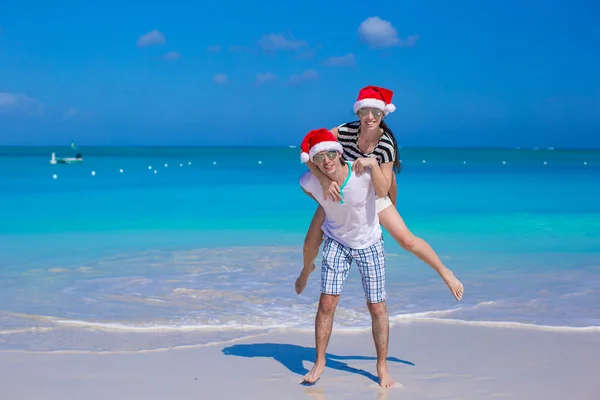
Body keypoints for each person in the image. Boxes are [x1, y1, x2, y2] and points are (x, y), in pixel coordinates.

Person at [295, 85, 464, 302]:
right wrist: (323, 179)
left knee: (407, 240)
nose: (370, 117)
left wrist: (373, 165)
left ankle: (444, 272)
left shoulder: (386, 145)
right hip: (340, 193)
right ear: (358, 113)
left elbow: (384, 187)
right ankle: (306, 269)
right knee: (310, 243)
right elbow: (310, 151)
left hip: (374, 195)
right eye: (364, 111)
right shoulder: (344, 131)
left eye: (375, 112)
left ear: (383, 113)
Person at [296, 127, 395, 388]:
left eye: (331, 153)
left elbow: (384, 192)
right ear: (314, 161)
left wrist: (374, 165)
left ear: (339, 152)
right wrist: (324, 183)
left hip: (369, 243)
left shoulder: (360, 172)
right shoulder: (309, 181)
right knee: (327, 305)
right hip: (337, 242)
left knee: (377, 307)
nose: (326, 160)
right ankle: (319, 362)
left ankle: (381, 366)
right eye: (320, 157)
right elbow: (311, 188)